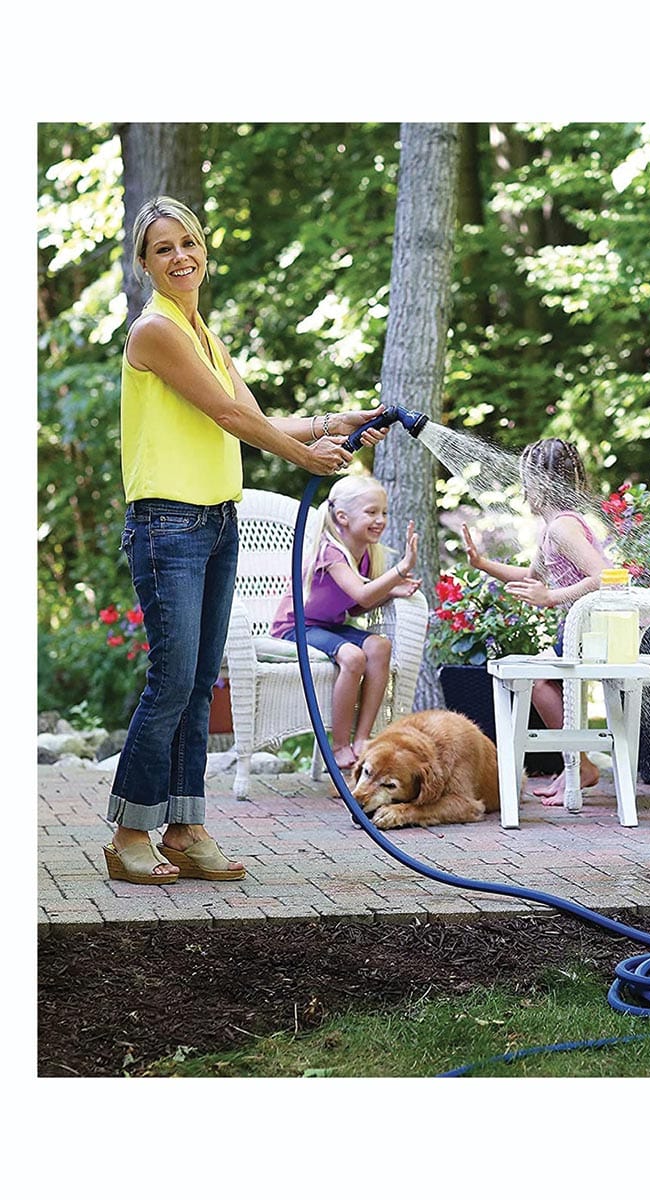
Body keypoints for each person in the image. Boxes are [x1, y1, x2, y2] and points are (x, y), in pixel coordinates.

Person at [103, 195, 390, 885]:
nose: (180, 257)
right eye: (164, 248)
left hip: (214, 521)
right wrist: (307, 458)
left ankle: (186, 826)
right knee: (171, 680)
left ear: (205, 250)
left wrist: (340, 419)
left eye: (188, 243)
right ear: (144, 264)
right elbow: (231, 415)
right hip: (167, 522)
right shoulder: (156, 331)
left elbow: (258, 417)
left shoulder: (203, 333)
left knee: (201, 683)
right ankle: (128, 834)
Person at [461, 437, 612, 805]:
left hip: (590, 629)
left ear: (541, 483)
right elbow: (532, 576)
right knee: (547, 681)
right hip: (575, 628)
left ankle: (579, 763)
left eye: (526, 479)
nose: (523, 487)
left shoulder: (563, 528)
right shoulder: (551, 530)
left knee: (540, 681)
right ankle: (575, 766)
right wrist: (482, 564)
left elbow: (605, 575)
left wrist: (553, 598)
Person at [270, 474, 420, 770]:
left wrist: (390, 592)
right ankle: (338, 746)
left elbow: (355, 608)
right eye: (371, 512)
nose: (380, 520)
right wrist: (400, 570)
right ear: (342, 516)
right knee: (353, 657)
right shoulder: (331, 551)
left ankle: (362, 739)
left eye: (384, 513)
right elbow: (363, 595)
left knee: (379, 647)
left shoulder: (364, 551)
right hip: (295, 627)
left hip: (328, 626)